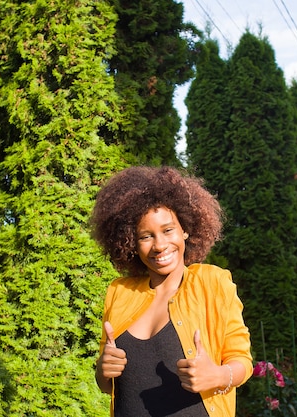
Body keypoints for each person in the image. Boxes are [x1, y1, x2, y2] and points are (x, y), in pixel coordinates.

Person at [90, 166, 252, 417]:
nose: (160, 245)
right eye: (146, 236)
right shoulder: (119, 292)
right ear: (131, 241)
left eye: (168, 230)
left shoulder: (212, 282)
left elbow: (241, 360)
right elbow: (106, 384)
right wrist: (102, 370)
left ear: (185, 228)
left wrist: (218, 375)